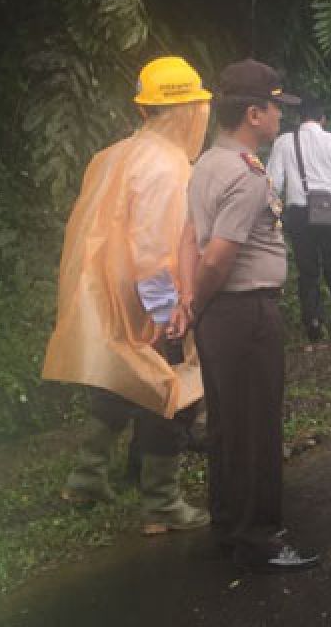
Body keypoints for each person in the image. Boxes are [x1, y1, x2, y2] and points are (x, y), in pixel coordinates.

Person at [42, 56, 212, 536]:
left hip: (106, 290)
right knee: (171, 391)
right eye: (199, 105)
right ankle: (161, 502)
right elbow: (155, 246)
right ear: (186, 111)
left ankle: (86, 476)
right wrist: (167, 310)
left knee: (119, 378)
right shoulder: (168, 166)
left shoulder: (113, 154)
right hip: (149, 294)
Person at [186, 59, 319, 572]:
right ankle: (260, 538)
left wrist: (196, 309)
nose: (280, 119)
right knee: (256, 428)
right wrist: (198, 302)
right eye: (275, 109)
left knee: (227, 425)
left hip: (222, 315)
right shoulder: (244, 175)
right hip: (245, 312)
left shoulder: (206, 164)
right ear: (253, 113)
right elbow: (219, 256)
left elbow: (189, 240)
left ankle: (228, 524)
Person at [266, 96, 331, 344]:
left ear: (300, 118)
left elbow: (273, 183)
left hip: (298, 211)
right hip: (327, 207)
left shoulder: (284, 142)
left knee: (307, 270)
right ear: (323, 119)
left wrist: (271, 212)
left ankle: (313, 323)